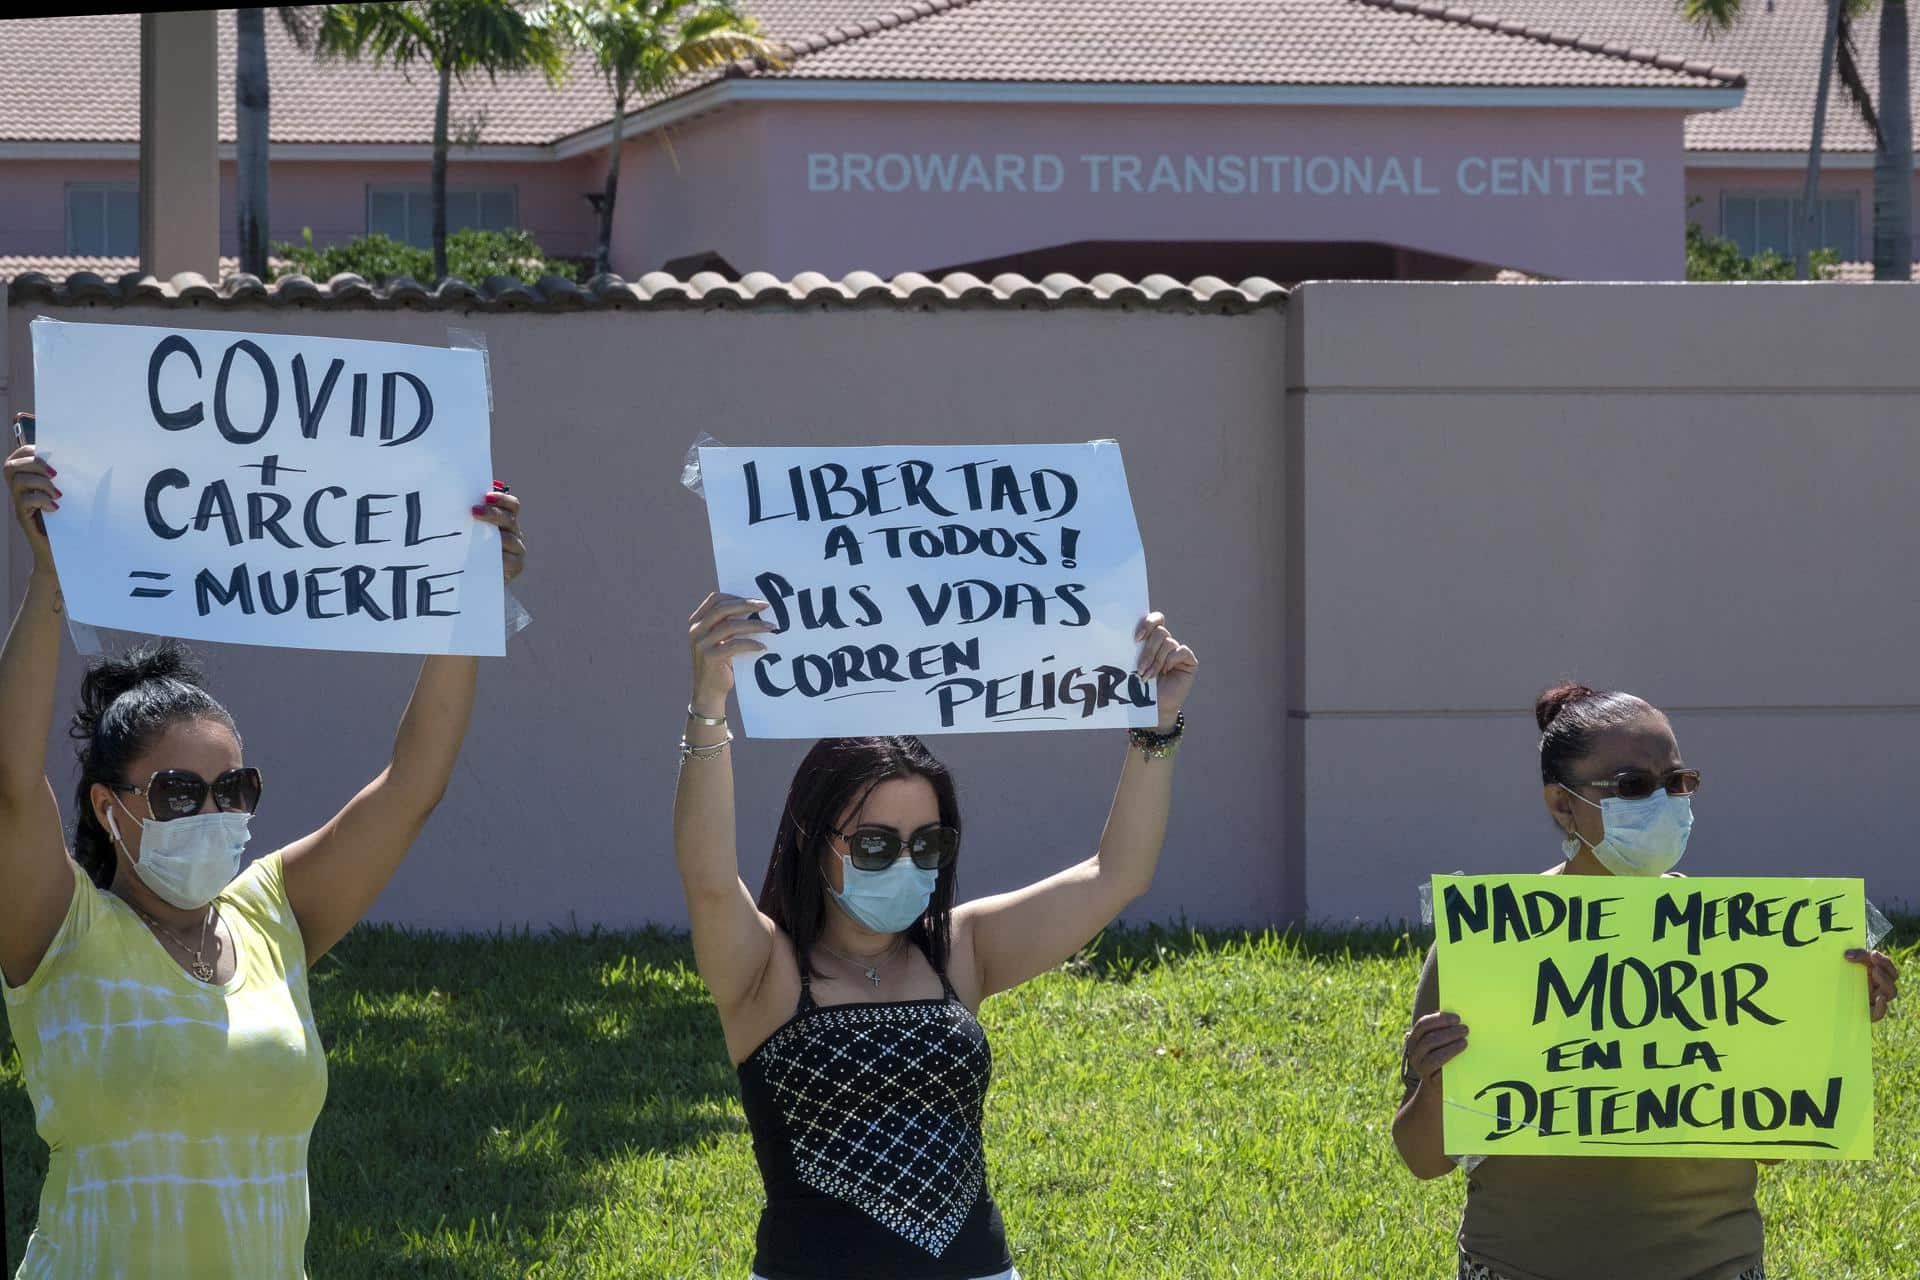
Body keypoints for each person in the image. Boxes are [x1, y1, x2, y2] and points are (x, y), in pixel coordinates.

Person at [0, 410, 525, 1278]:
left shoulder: (270, 915)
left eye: (233, 789)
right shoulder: (60, 930)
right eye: (178, 792)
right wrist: (50, 576)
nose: (214, 812)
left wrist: (467, 603)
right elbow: (11, 786)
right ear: (107, 806)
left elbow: (411, 787)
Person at [673, 591, 1198, 1280]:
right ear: (812, 840)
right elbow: (709, 877)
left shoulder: (962, 949)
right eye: (874, 844)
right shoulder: (762, 970)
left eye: (927, 844)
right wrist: (709, 703)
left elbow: (1118, 874)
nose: (904, 862)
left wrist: (1155, 725)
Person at [1392, 683, 1901, 1280]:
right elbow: (1423, 1160)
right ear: (1562, 805)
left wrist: (1828, 1022)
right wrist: (1434, 1082)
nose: (1663, 800)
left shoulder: (1738, 946)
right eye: (1633, 785)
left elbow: (1772, 1143)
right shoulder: (1491, 944)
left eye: (1677, 782)